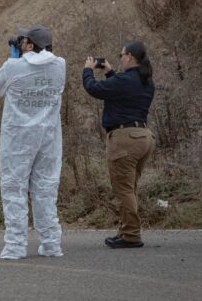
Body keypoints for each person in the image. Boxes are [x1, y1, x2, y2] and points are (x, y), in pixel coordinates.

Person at [0, 25, 66, 259]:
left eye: (24, 41)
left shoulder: (13, 66)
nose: (20, 44)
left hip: (18, 138)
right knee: (46, 188)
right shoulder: (60, 65)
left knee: (14, 188)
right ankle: (52, 244)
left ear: (31, 45)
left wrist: (13, 59)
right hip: (48, 137)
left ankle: (15, 246)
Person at [83, 41, 156, 249]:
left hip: (125, 138)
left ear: (130, 57)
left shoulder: (125, 80)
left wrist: (88, 70)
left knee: (123, 189)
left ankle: (131, 235)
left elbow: (94, 89)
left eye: (121, 54)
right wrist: (110, 72)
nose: (120, 57)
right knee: (130, 188)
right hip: (144, 137)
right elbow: (120, 90)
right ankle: (126, 231)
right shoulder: (146, 82)